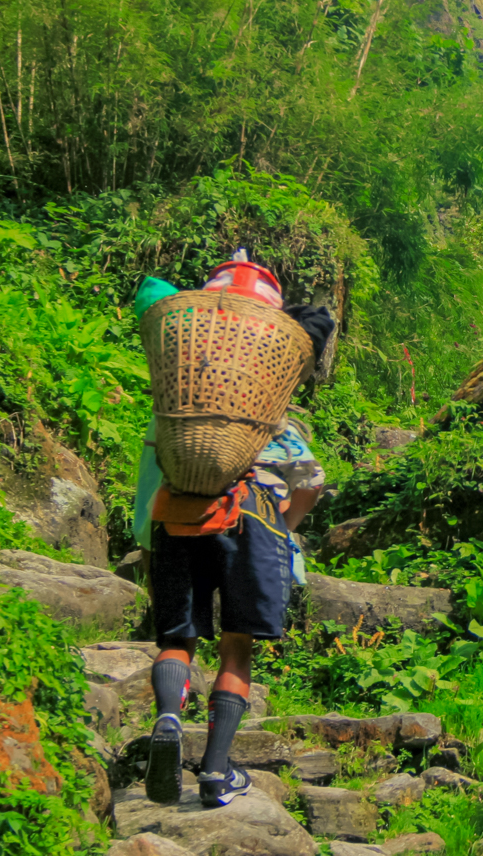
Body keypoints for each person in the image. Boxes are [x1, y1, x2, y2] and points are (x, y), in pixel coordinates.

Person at [134, 262, 334, 808]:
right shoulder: (273, 422)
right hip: (254, 517)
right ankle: (216, 773)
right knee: (236, 647)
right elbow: (313, 483)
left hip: (177, 513)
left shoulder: (174, 411)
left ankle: (170, 719)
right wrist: (285, 529)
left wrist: (148, 539)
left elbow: (148, 481)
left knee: (176, 638)